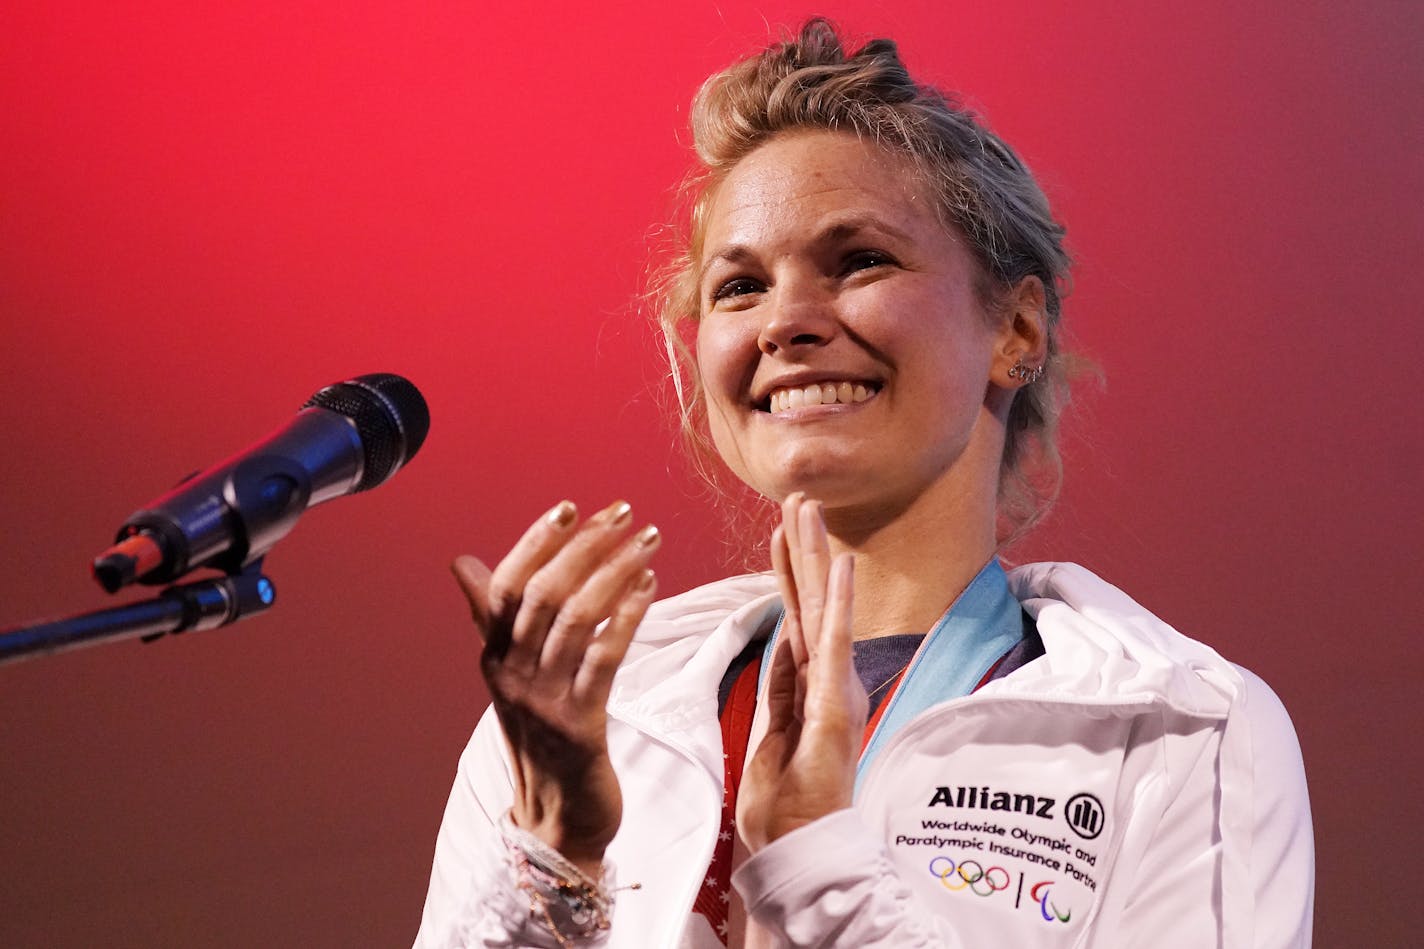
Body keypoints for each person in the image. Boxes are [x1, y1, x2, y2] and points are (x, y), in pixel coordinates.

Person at [415, 19, 1314, 948]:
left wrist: (820, 873)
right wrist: (558, 857)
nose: (787, 322)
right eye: (738, 287)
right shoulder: (572, 728)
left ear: (1016, 330)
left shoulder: (1179, 732)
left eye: (859, 261)